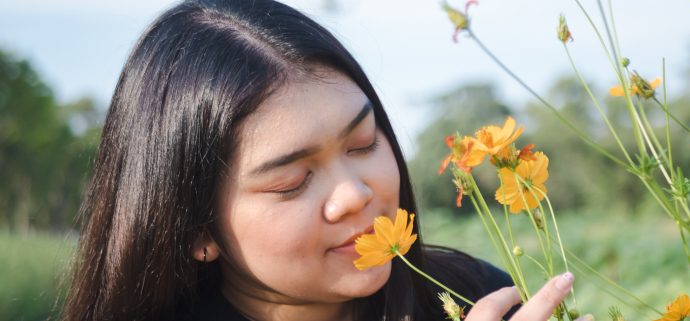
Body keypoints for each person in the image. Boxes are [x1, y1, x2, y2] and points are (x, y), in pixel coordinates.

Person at [61, 0, 584, 320]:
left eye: (363, 144)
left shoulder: (477, 297)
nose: (355, 193)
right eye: (292, 180)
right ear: (197, 228)